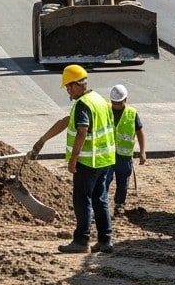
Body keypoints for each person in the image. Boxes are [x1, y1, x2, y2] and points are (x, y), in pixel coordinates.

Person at [29, 64, 116, 254]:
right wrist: (42, 141)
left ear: (78, 84)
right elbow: (65, 121)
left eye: (69, 86)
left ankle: (80, 241)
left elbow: (82, 130)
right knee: (100, 200)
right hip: (105, 161)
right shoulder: (97, 99)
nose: (68, 91)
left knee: (82, 200)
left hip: (88, 161)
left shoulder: (83, 104)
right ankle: (105, 240)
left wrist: (73, 159)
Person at [107, 84, 146, 216]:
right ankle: (102, 205)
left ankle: (119, 205)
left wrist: (142, 151)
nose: (116, 105)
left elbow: (140, 132)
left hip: (124, 157)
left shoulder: (131, 113)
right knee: (105, 180)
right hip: (107, 155)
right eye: (114, 102)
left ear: (125, 100)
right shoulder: (106, 110)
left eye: (119, 102)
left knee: (123, 183)